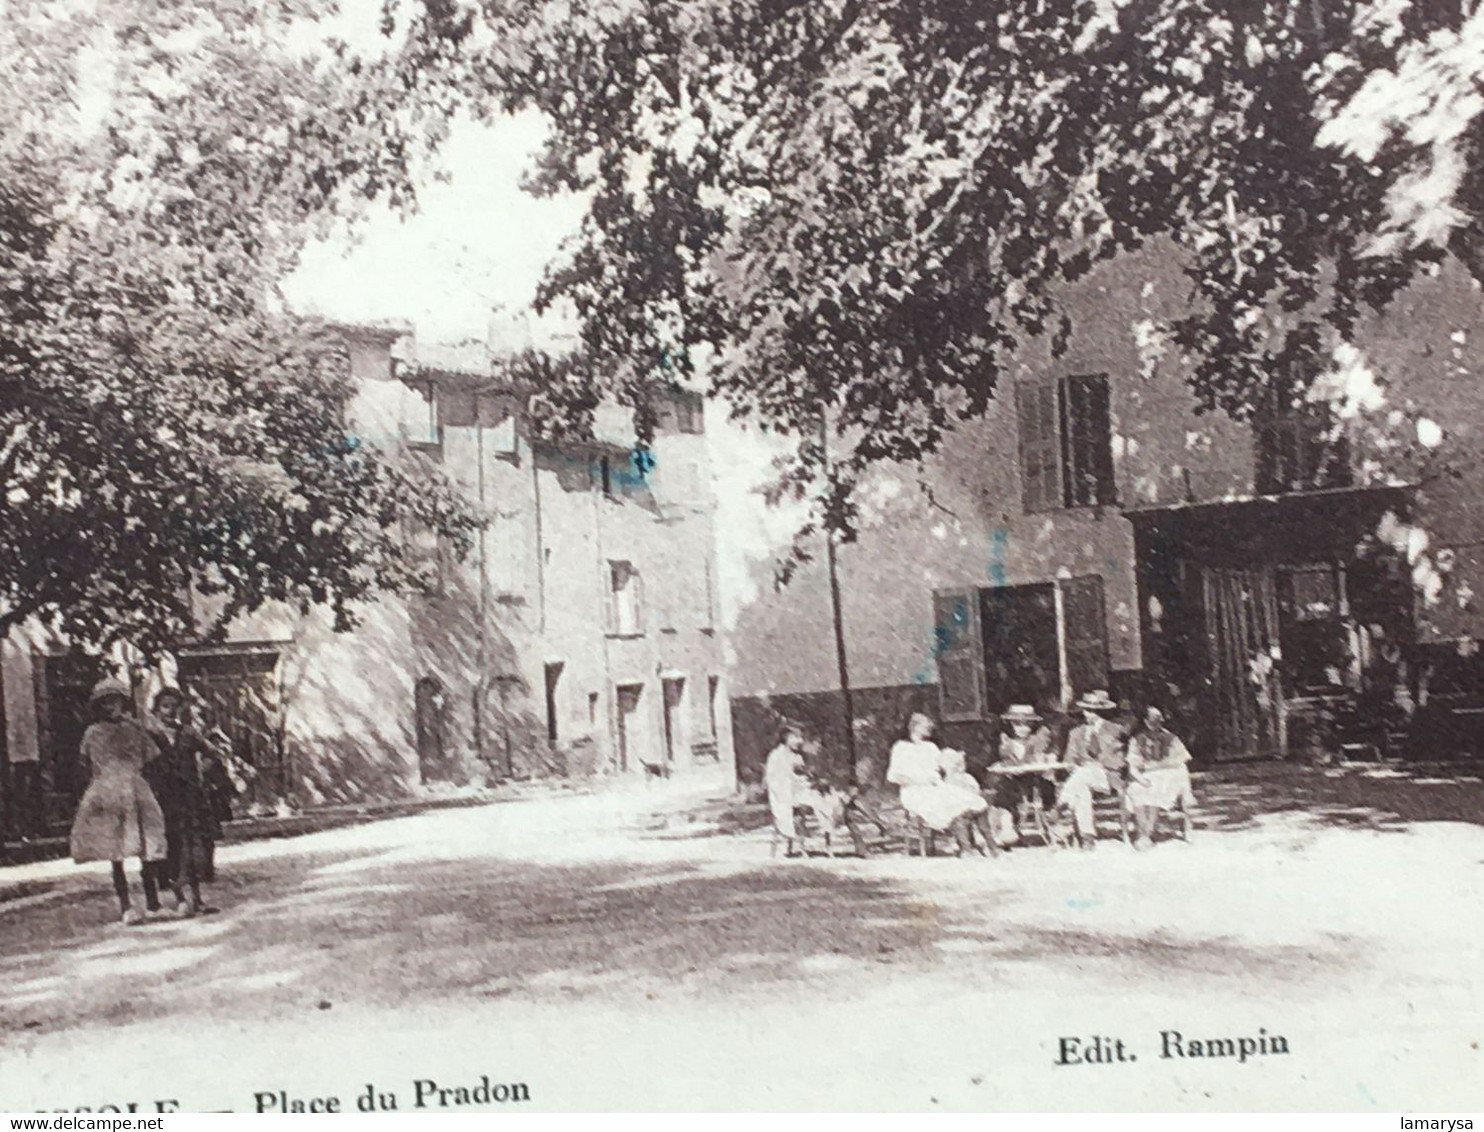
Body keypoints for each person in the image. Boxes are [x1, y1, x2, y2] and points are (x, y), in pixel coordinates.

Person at [68, 678, 169, 925]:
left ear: (123, 703)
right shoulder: (92, 733)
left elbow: (153, 756)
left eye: (115, 701)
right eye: (105, 702)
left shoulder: (135, 729)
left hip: (135, 789)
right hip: (107, 791)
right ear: (99, 706)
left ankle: (153, 903)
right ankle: (126, 906)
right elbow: (83, 764)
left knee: (146, 847)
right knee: (116, 851)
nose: (110, 706)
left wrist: (146, 731)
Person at [145, 689, 222, 915]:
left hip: (188, 796)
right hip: (162, 798)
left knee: (191, 846)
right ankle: (177, 899)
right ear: (157, 709)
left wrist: (201, 770)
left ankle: (197, 899)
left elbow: (212, 753)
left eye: (174, 706)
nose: (170, 711)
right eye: (165, 706)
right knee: (170, 847)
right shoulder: (149, 735)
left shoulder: (187, 733)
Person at [886, 712, 995, 856]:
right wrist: (920, 780)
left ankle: (992, 846)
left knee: (975, 801)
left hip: (936, 787)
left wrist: (955, 761)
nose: (929, 728)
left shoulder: (931, 747)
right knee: (953, 805)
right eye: (925, 725)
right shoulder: (901, 747)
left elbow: (944, 766)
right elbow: (893, 776)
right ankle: (966, 848)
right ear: (914, 727)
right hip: (914, 791)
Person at [1055, 690, 1127, 850]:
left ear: (1102, 711)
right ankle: (1088, 837)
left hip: (1107, 777)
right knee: (1082, 789)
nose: (1089, 714)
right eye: (1087, 710)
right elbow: (1068, 760)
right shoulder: (1076, 733)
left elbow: (1118, 761)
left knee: (1082, 775)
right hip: (1083, 777)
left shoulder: (1115, 730)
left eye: (1094, 711)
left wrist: (1095, 765)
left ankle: (1060, 807)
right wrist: (1075, 765)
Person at [1125, 707, 1197, 850]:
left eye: (1158, 719)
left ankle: (1147, 834)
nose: (1155, 723)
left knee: (1155, 790)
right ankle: (1142, 833)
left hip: (1168, 776)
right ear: (1145, 721)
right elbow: (1132, 766)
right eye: (1152, 719)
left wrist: (1152, 766)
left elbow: (1181, 760)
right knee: (1136, 790)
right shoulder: (1137, 740)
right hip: (1145, 776)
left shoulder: (1171, 738)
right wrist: (1141, 779)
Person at [764, 725, 844, 849]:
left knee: (826, 796)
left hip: (801, 790)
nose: (799, 741)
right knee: (817, 798)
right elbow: (774, 780)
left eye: (801, 737)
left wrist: (809, 779)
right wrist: (794, 780)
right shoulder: (776, 756)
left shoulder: (797, 756)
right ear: (786, 737)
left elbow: (802, 776)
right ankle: (823, 829)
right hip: (784, 794)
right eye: (796, 737)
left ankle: (829, 829)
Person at [990, 704, 1055, 845]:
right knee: (1003, 787)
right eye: (1017, 724)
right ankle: (1006, 826)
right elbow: (1005, 759)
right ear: (1011, 725)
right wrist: (1007, 766)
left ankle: (1009, 828)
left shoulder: (1037, 738)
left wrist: (1032, 762)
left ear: (1032, 725)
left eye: (1026, 724)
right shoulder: (1007, 741)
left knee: (1011, 789)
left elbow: (1038, 758)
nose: (1022, 728)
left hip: (1035, 782)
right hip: (1013, 781)